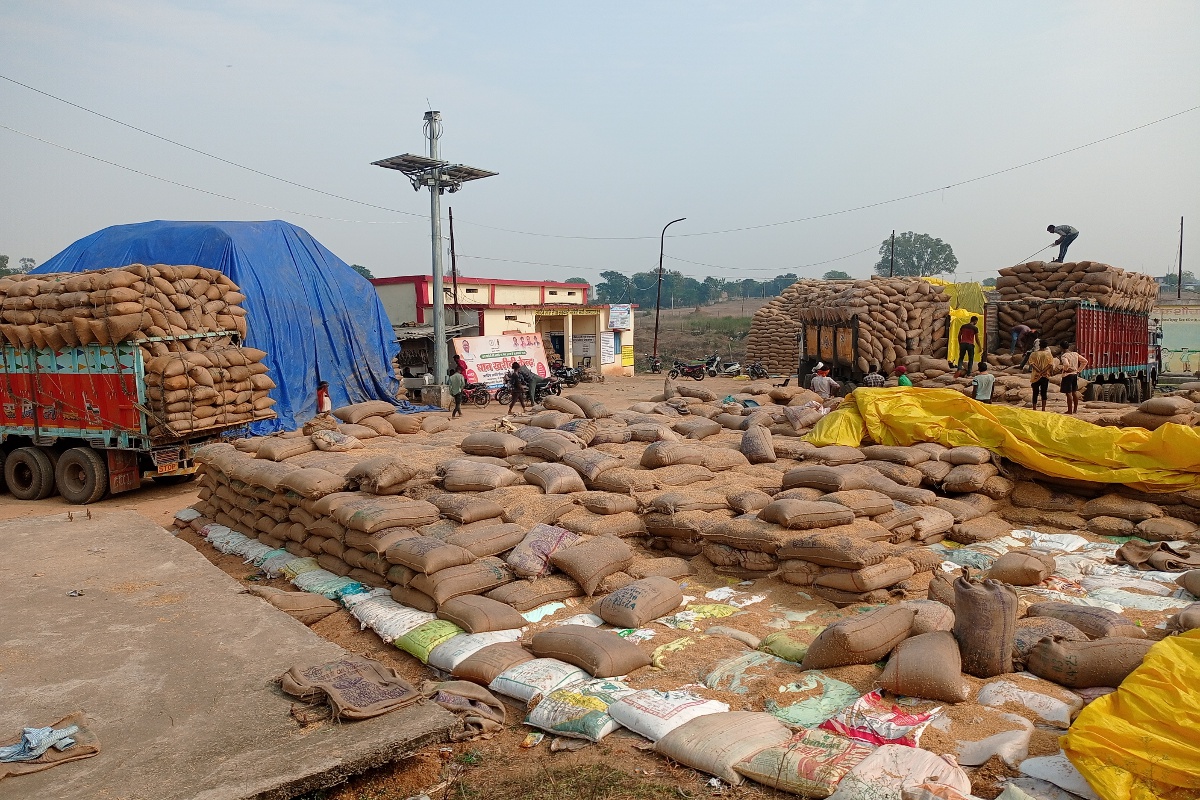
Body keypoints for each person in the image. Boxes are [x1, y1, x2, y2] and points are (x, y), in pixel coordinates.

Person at [1058, 342, 1089, 415]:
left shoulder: (1064, 356)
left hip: (1067, 375)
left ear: (1061, 348)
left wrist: (1065, 369)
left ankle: (1069, 410)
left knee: (1068, 393)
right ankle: (1075, 410)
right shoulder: (1075, 354)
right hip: (1074, 375)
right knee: (1074, 392)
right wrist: (1078, 370)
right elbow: (1085, 361)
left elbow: (1066, 364)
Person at [1028, 343, 1057, 411]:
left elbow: (1032, 364)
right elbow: (1050, 365)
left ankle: (1034, 408)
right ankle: (1043, 409)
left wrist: (1039, 371)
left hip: (1035, 376)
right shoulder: (1048, 354)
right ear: (1046, 346)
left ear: (1039, 345)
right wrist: (1043, 372)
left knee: (1035, 393)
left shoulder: (1033, 354)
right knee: (1044, 392)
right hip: (1045, 376)